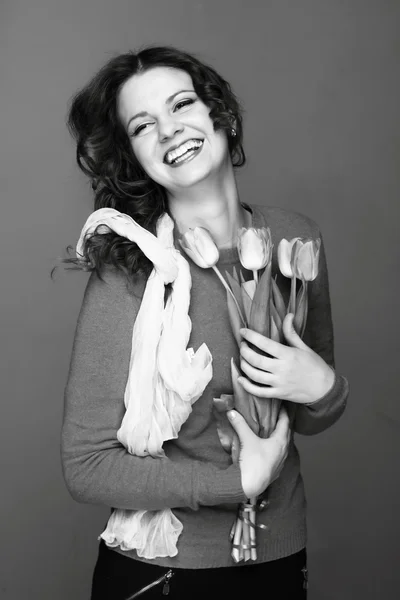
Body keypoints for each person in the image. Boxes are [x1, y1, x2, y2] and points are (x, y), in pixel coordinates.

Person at [61, 46, 349, 600]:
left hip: (283, 558)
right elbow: (86, 465)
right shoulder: (132, 272)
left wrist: (326, 388)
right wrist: (233, 484)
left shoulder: (295, 236)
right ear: (134, 157)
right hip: (165, 575)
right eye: (144, 125)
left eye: (183, 104)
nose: (170, 131)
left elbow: (308, 411)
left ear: (223, 115)